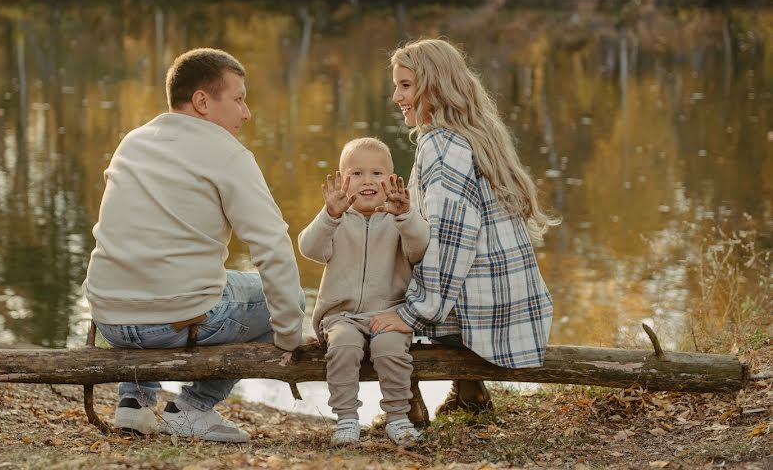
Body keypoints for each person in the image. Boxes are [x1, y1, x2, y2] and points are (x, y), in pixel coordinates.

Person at [82, 48, 306, 443]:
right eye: (238, 99)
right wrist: (288, 335)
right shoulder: (227, 153)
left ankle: (133, 404)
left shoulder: (133, 142)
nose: (246, 112)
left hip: (109, 318)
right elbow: (272, 247)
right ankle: (191, 409)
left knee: (157, 273)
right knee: (279, 299)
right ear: (202, 101)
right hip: (173, 323)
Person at [370, 38, 556, 421]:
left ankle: (406, 405)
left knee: (369, 296)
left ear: (434, 87)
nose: (395, 96)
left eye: (405, 85)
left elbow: (454, 243)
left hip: (483, 315)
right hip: (511, 307)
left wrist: (413, 313)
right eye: (397, 85)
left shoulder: (442, 144)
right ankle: (470, 391)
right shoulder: (475, 133)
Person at [298, 138, 430, 446]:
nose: (368, 181)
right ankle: (346, 419)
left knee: (390, 349)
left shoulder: (399, 219)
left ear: (392, 179)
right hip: (341, 315)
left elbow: (421, 248)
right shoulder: (337, 219)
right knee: (343, 346)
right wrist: (328, 215)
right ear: (342, 180)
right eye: (357, 174)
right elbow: (308, 248)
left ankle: (397, 417)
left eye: (377, 173)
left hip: (389, 315)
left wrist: (406, 215)